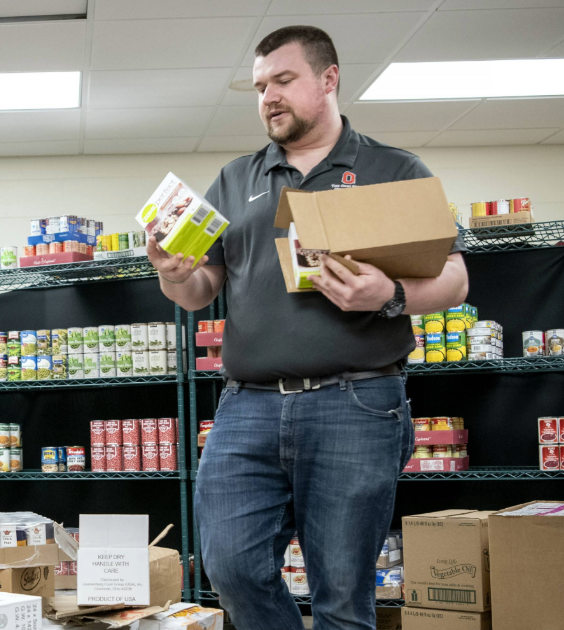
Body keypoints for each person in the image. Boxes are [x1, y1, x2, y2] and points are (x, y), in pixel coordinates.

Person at [147, 26, 469, 630]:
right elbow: (199, 291)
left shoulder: (392, 167)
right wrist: (171, 274)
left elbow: (455, 278)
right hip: (246, 408)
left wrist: (389, 293)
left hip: (358, 402)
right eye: (261, 85)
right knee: (229, 567)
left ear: (329, 80)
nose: (268, 96)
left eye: (283, 80)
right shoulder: (236, 179)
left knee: (342, 596)